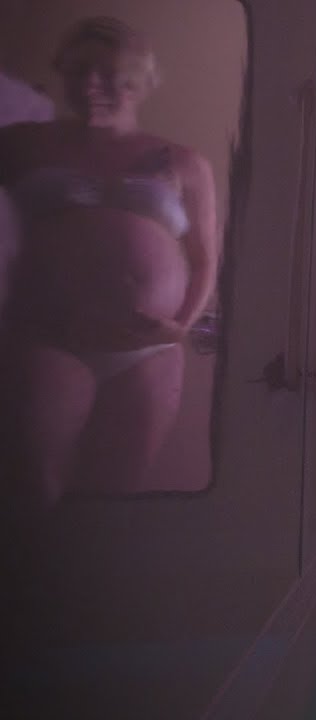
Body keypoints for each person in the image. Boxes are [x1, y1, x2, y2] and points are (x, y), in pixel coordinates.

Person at [0, 17, 219, 507]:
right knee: (32, 488)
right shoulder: (22, 144)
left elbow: (205, 259)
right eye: (78, 72)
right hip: (47, 334)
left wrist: (179, 327)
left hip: (148, 349)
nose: (90, 86)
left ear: (139, 83)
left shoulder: (185, 162)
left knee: (116, 495)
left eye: (109, 75)